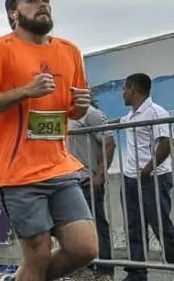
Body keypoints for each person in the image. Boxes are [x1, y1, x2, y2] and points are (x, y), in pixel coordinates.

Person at [0, 0, 98, 281]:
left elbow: (74, 111)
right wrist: (26, 91)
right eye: (32, 0)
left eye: (46, 0)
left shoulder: (69, 51)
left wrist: (81, 104)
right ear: (14, 13)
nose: (43, 5)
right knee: (37, 254)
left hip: (59, 167)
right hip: (18, 172)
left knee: (84, 248)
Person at [120, 72, 174, 281]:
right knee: (133, 226)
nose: (122, 93)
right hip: (130, 178)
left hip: (153, 178)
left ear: (132, 89)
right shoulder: (131, 115)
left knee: (160, 226)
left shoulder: (155, 112)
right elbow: (117, 122)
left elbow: (166, 144)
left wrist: (147, 169)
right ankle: (137, 273)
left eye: (124, 89)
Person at [67, 105, 115, 281]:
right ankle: (84, 269)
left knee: (97, 226)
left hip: (87, 181)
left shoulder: (92, 114)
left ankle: (105, 272)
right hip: (69, 182)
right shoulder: (63, 114)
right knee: (76, 230)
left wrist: (99, 176)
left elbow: (109, 144)